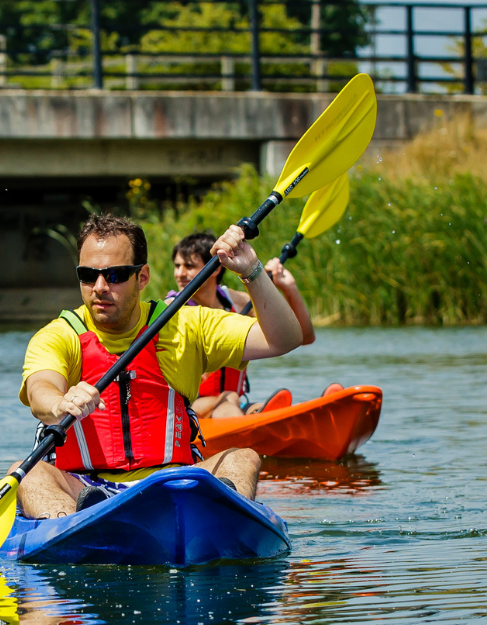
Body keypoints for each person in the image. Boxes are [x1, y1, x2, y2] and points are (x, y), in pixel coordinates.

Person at [16, 214, 304, 519]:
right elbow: (39, 390)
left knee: (242, 458)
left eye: (115, 275)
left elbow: (284, 339)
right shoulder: (60, 334)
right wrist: (60, 402)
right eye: (88, 275)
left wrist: (252, 271)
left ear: (142, 277)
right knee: (28, 473)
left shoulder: (183, 323)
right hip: (83, 488)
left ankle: (216, 521)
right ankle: (74, 527)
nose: (99, 287)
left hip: (171, 483)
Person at [167, 232, 317, 418]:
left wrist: (289, 289)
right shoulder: (171, 309)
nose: (180, 273)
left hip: (237, 403)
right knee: (228, 398)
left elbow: (304, 337)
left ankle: (282, 417)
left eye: (189, 266)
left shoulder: (237, 301)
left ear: (214, 269)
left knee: (262, 407)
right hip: (189, 407)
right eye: (177, 266)